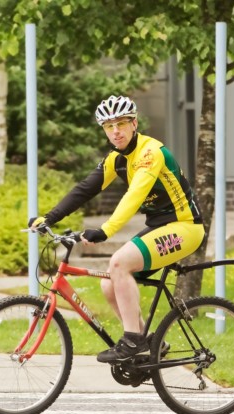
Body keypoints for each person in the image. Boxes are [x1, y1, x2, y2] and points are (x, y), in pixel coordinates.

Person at [29, 95, 205, 363]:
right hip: (160, 227)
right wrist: (50, 218)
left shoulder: (150, 152)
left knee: (119, 263)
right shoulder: (116, 159)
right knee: (109, 282)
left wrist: (106, 230)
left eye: (121, 123)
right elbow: (85, 189)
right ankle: (146, 342)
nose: (115, 131)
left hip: (185, 227)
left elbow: (135, 195)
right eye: (108, 126)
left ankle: (132, 340)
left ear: (134, 123)